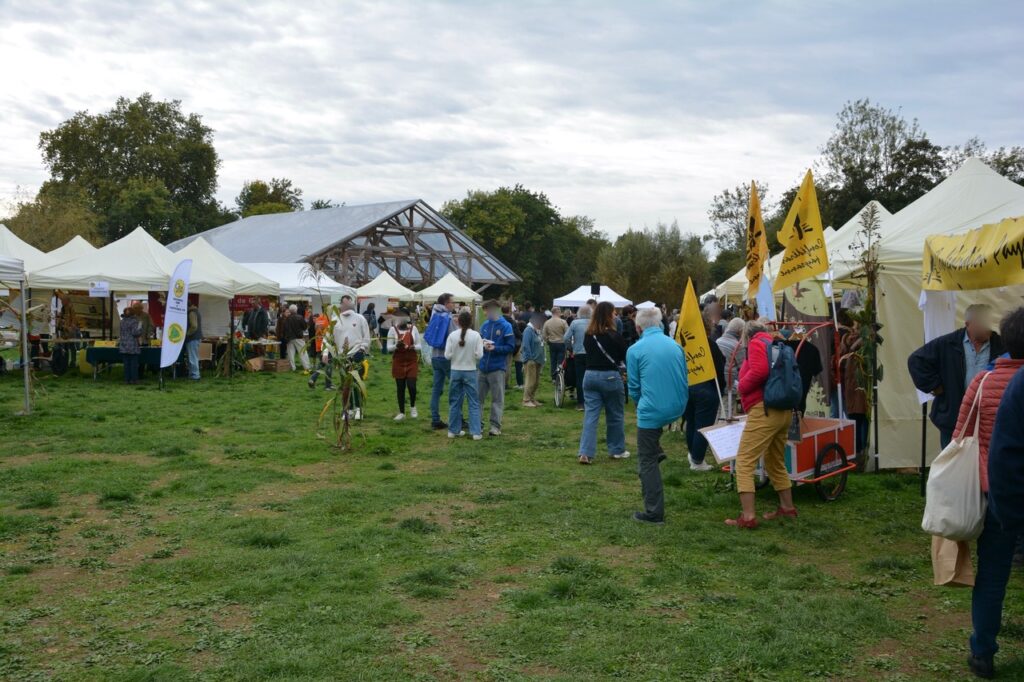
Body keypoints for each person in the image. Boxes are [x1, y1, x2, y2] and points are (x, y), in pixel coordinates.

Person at [962, 306, 1024, 680]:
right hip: (1002, 489)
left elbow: (960, 433)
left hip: (994, 492)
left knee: (993, 575)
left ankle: (983, 650)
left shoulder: (983, 382)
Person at [727, 318, 797, 529]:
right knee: (775, 461)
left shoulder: (757, 343)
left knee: (744, 462)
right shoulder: (774, 344)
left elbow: (759, 371)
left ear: (746, 335)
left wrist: (742, 387)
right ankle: (787, 508)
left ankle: (748, 517)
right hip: (782, 411)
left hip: (763, 410)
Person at [909, 304, 1004, 449]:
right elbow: (916, 360)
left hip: (988, 416)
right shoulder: (948, 343)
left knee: (984, 463)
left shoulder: (1001, 345)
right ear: (968, 324)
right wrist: (935, 386)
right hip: (953, 415)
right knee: (952, 462)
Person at [627, 307, 688, 523]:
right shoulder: (675, 345)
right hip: (678, 405)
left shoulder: (635, 349)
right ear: (660, 323)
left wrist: (640, 406)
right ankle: (657, 449)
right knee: (652, 432)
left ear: (638, 327)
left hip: (654, 410)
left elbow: (634, 388)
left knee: (646, 462)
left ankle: (654, 513)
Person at [578, 301, 630, 464]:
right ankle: (616, 449)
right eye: (614, 313)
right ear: (609, 315)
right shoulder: (615, 336)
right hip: (610, 376)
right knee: (615, 414)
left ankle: (585, 452)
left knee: (590, 415)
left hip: (590, 376)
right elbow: (623, 355)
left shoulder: (588, 334)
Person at [683, 311, 725, 472]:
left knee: (691, 422)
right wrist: (720, 389)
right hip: (706, 389)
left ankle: (694, 454)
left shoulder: (682, 345)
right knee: (703, 425)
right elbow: (719, 369)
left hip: (687, 387)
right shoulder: (710, 345)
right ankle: (697, 460)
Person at [324, 296, 371, 419]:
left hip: (356, 355)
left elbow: (366, 336)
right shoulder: (335, 320)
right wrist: (325, 352)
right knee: (345, 384)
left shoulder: (360, 318)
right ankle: (348, 409)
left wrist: (362, 349)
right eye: (343, 302)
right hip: (342, 357)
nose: (344, 305)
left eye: (348, 301)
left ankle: (358, 409)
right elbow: (328, 339)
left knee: (356, 383)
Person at [478, 300, 516, 435]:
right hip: (482, 368)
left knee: (497, 399)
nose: (485, 313)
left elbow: (511, 347)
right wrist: (481, 345)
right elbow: (479, 342)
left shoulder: (506, 326)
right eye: (485, 310)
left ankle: (495, 427)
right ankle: (478, 425)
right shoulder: (484, 325)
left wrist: (495, 348)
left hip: (497, 368)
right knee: (478, 399)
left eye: (487, 310)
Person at [444, 311, 484, 440]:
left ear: (458, 321)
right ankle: (476, 432)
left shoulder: (452, 335)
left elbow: (447, 355)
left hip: (455, 370)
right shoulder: (476, 335)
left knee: (454, 401)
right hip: (470, 371)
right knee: (473, 402)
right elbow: (480, 355)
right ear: (471, 322)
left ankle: (453, 430)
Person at [429, 294, 460, 430]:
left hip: (435, 356)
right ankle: (457, 418)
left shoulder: (434, 315)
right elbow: (455, 338)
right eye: (453, 302)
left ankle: (435, 419)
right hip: (446, 357)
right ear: (447, 303)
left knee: (436, 390)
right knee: (456, 388)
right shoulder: (448, 318)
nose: (454, 304)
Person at [388, 310, 421, 420]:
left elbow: (420, 345)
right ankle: (402, 412)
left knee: (412, 386)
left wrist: (413, 347)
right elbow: (388, 348)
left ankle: (412, 407)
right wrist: (396, 346)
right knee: (400, 387)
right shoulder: (393, 330)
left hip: (411, 360)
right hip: (398, 360)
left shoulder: (413, 329)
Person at [564, 305, 591, 411]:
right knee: (591, 377)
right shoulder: (593, 322)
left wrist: (570, 348)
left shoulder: (575, 323)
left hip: (578, 353)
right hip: (591, 354)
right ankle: (591, 401)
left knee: (580, 378)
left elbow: (566, 338)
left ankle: (581, 403)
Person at [520, 313, 545, 407]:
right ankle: (526, 400)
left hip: (538, 360)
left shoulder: (536, 331)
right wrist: (530, 358)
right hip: (531, 360)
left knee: (536, 382)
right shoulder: (528, 330)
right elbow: (526, 345)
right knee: (530, 381)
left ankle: (532, 399)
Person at [542, 306, 569, 381]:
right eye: (560, 312)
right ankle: (560, 377)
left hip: (552, 343)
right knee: (561, 361)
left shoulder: (547, 322)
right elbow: (567, 333)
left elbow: (544, 334)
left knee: (553, 361)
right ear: (558, 312)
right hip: (561, 343)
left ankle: (553, 378)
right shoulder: (563, 322)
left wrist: (548, 341)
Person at [282, 303, 311, 373]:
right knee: (302, 352)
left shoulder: (287, 319)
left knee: (290, 354)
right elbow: (304, 327)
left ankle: (292, 367)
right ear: (296, 310)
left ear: (290, 310)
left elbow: (285, 329)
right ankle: (306, 367)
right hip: (299, 337)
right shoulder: (300, 317)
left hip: (289, 338)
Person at [118, 305, 142, 385]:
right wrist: (140, 327)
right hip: (132, 345)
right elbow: (135, 333)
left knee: (126, 364)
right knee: (133, 364)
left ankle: (126, 379)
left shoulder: (122, 321)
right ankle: (134, 379)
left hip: (124, 344)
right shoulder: (134, 321)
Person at [185, 301, 202, 381]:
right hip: (195, 338)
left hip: (192, 338)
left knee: (192, 357)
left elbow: (194, 326)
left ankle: (195, 375)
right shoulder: (195, 311)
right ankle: (193, 374)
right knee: (193, 357)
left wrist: (187, 334)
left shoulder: (191, 312)